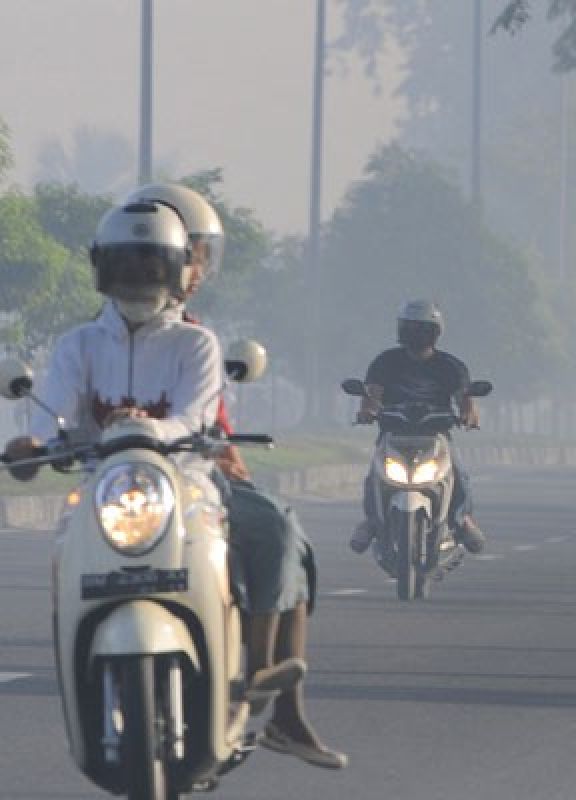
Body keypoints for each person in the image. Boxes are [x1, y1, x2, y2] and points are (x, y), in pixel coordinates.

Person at [122, 184, 345, 770]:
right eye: (188, 252)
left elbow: (207, 421)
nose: (193, 268)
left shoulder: (195, 337)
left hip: (197, 480)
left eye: (194, 255)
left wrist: (220, 452)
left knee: (280, 529)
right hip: (123, 486)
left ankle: (270, 692)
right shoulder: (91, 338)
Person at [349, 300, 486, 554]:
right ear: (401, 330)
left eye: (422, 329)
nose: (416, 334)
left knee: (458, 474)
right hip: (393, 433)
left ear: (435, 332)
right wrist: (367, 411)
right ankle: (371, 521)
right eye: (410, 328)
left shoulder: (450, 366)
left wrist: (468, 415)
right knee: (374, 477)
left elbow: (465, 399)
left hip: (435, 436)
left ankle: (463, 519)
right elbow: (371, 394)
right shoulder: (385, 361)